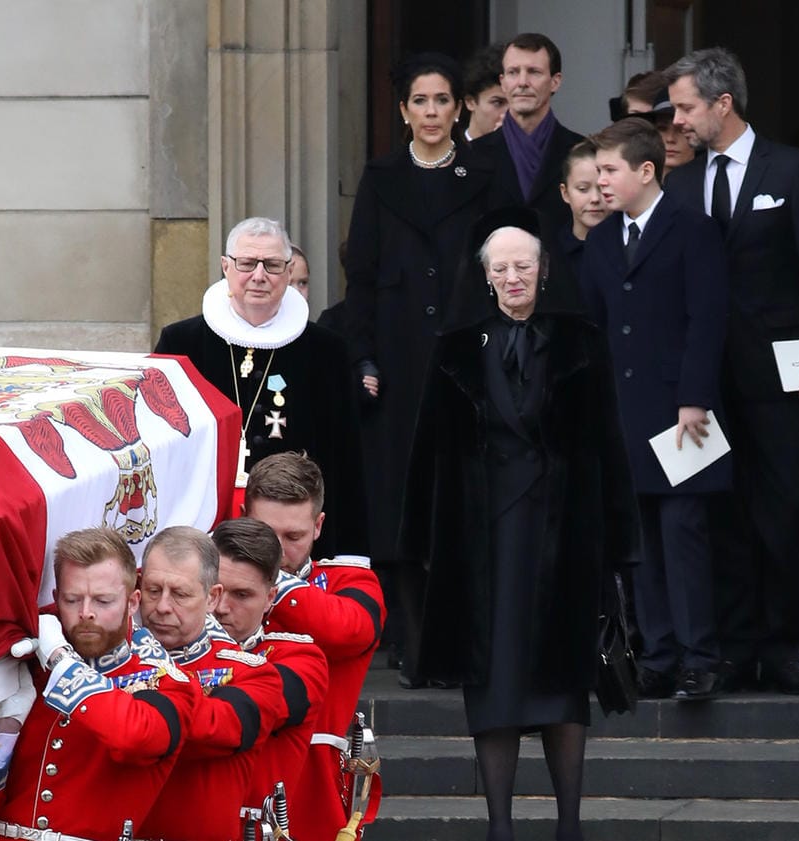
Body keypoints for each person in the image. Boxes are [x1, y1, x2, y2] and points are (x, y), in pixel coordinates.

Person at [401, 207, 637, 841]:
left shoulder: (580, 341)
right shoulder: (455, 347)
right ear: (485, 276)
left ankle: (569, 827)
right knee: (495, 682)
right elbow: (429, 447)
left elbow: (609, 443)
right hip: (481, 541)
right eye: (500, 268)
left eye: (523, 266)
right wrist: (417, 547)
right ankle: (499, 826)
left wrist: (622, 544)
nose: (513, 277)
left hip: (564, 534)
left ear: (543, 270)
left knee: (563, 682)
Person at [664, 47, 799, 695]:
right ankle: (734, 647)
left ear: (722, 103)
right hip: (702, 382)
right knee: (719, 514)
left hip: (780, 377)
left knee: (781, 511)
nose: (677, 120)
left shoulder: (793, 171)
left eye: (686, 106)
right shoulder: (679, 182)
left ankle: (783, 647)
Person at [342, 51, 485, 682]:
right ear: (403, 111)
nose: (432, 113)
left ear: (461, 109)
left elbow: (501, 270)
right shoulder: (380, 178)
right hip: (396, 366)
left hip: (463, 363)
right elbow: (363, 279)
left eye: (443, 101)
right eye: (420, 102)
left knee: (460, 498)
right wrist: (364, 355)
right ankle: (408, 636)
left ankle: (460, 637)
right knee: (398, 499)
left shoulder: (485, 176)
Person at [582, 118, 730, 701]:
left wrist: (694, 398)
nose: (601, 185)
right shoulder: (599, 240)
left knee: (683, 531)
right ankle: (659, 654)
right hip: (621, 411)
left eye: (610, 171)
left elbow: (707, 318)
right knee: (638, 536)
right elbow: (593, 328)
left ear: (646, 170)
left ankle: (700, 656)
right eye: (595, 174)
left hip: (679, 411)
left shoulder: (693, 230)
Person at [0, 528, 198, 841]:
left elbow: (135, 737)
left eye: (102, 601)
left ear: (132, 602)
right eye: (72, 600)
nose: (86, 613)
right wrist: (5, 727)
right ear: (56, 599)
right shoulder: (29, 674)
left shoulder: (167, 682)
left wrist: (61, 659)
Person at [155, 217, 367, 559]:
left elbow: (346, 456)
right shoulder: (181, 344)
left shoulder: (327, 350)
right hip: (207, 518)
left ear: (287, 272)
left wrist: (347, 552)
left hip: (292, 528)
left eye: (271, 265)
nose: (258, 275)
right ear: (226, 267)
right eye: (247, 263)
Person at [245, 452, 386, 841]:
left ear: (318, 526)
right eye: (263, 534)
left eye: (293, 537)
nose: (275, 550)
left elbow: (348, 630)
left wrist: (268, 581)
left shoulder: (349, 582)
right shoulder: (217, 583)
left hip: (312, 796)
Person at [137, 526, 289, 841]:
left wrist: (151, 671)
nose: (162, 606)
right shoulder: (114, 659)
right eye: (153, 590)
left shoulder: (255, 674)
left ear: (211, 597)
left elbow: (202, 733)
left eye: (179, 594)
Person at [211, 517, 329, 821]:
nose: (221, 607)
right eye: (214, 590)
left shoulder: (301, 660)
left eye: (241, 595)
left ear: (270, 598)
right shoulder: (164, 652)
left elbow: (246, 711)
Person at [470, 33, 586, 232]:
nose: (522, 82)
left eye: (534, 72)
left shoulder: (580, 152)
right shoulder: (473, 155)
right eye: (513, 72)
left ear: (555, 81)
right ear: (503, 82)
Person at [555, 139, 608, 276]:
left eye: (603, 188)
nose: (595, 199)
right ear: (565, 193)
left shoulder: (630, 247)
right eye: (583, 189)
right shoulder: (552, 252)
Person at [463, 43, 509, 142]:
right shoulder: (449, 152)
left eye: (515, 105)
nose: (508, 115)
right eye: (498, 103)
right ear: (470, 102)